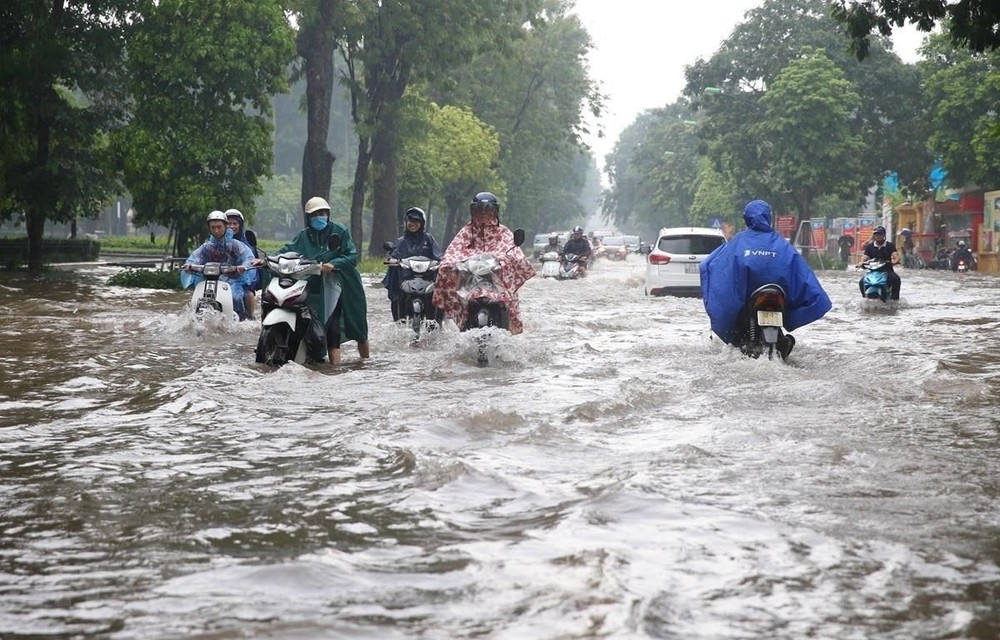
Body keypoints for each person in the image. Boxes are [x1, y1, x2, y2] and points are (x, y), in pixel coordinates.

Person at [700, 200, 832, 358]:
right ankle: (780, 341)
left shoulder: (739, 241)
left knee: (736, 326)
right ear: (768, 217)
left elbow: (720, 268)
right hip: (777, 298)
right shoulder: (782, 244)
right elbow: (802, 274)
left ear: (747, 218)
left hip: (752, 301)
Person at [273, 197, 369, 365]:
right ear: (308, 217)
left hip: (343, 285)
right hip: (316, 284)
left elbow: (352, 255)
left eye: (323, 213)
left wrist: (334, 264)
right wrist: (269, 259)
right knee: (319, 324)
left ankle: (363, 362)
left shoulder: (339, 231)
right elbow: (287, 250)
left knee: (357, 327)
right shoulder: (304, 236)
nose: (320, 217)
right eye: (316, 214)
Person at [432, 191, 535, 334]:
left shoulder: (503, 232)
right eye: (479, 209)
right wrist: (448, 264)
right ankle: (464, 326)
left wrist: (507, 261)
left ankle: (508, 328)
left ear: (494, 211)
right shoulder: (466, 232)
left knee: (510, 301)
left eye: (487, 209)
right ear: (473, 211)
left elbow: (514, 253)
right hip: (471, 283)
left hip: (497, 283)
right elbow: (453, 251)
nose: (483, 213)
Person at [181, 210, 256, 320]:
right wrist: (189, 266)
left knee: (235, 297)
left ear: (225, 226)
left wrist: (243, 267)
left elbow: (248, 258)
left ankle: (242, 320)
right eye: (213, 227)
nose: (216, 230)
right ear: (209, 228)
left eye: (219, 227)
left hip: (233, 281)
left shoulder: (236, 245)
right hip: (211, 280)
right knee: (197, 298)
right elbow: (195, 258)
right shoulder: (206, 247)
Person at [382, 206, 444, 322]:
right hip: (405, 278)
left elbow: (438, 254)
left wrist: (442, 261)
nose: (413, 224)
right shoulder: (401, 241)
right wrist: (393, 260)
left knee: (440, 291)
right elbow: (394, 255)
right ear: (406, 222)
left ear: (422, 223)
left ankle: (438, 320)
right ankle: (399, 319)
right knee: (396, 294)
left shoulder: (428, 239)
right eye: (410, 220)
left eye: (416, 221)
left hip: (427, 278)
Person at [225, 208, 260, 319]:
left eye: (235, 223)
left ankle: (249, 317)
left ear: (240, 225)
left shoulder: (246, 244)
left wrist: (243, 269)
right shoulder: (216, 240)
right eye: (228, 223)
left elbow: (251, 261)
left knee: (247, 294)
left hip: (241, 278)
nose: (231, 226)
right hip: (221, 276)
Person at [858, 225, 901, 299]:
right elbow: (865, 257)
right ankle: (864, 297)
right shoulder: (870, 247)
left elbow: (895, 255)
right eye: (876, 234)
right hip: (873, 271)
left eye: (880, 234)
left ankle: (895, 299)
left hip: (887, 270)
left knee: (896, 279)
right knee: (861, 282)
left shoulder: (890, 245)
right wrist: (861, 263)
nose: (878, 236)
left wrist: (895, 261)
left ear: (884, 235)